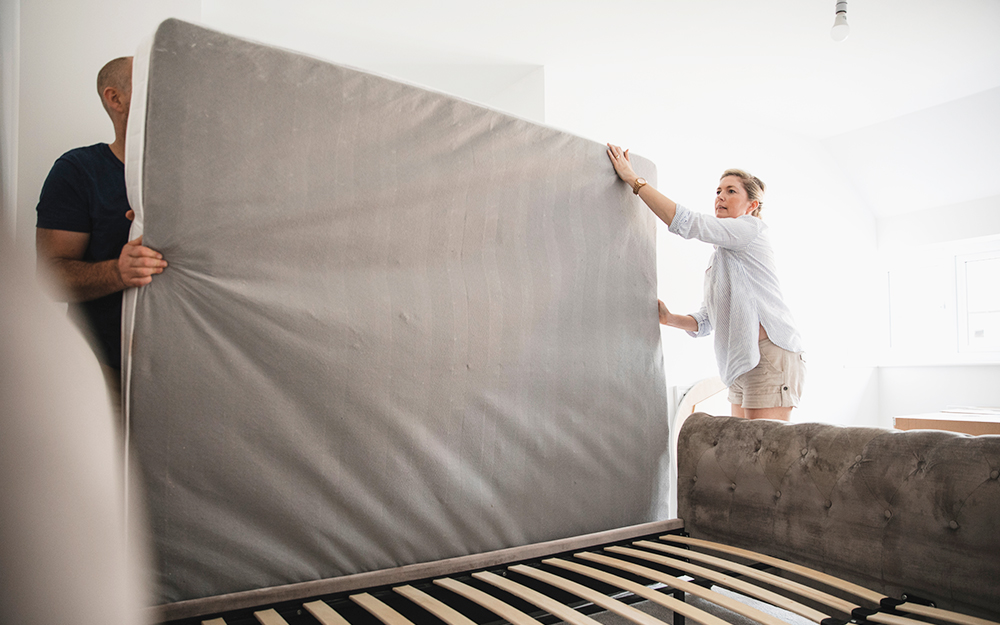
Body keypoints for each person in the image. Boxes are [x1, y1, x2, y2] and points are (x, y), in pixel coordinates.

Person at [607, 143, 804, 421]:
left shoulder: (751, 229)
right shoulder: (720, 258)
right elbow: (706, 321)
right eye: (718, 191)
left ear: (753, 205)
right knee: (742, 450)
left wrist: (634, 180)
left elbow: (687, 222)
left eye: (731, 191)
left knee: (765, 455)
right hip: (741, 362)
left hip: (770, 357)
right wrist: (669, 318)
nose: (720, 197)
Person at [35, 56, 167, 414]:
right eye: (150, 81)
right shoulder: (78, 172)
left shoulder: (191, 177)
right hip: (102, 371)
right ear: (116, 98)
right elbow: (50, 277)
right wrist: (118, 273)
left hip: (181, 373)